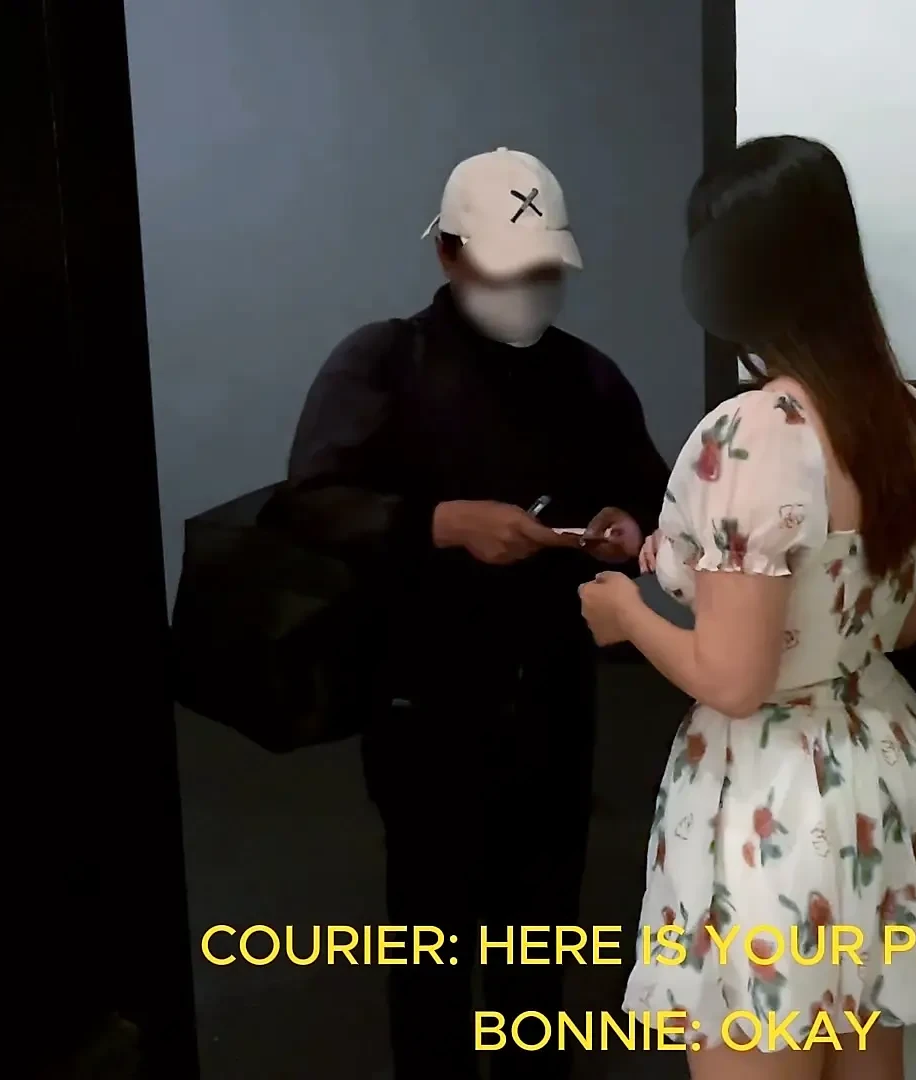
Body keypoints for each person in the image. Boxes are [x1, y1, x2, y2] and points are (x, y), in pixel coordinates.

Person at [577, 135, 916, 1079]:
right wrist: (669, 557)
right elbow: (905, 623)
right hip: (880, 772)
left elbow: (736, 680)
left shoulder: (750, 433)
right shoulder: (911, 419)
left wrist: (627, 614)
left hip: (772, 797)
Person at [285, 147, 669, 1079]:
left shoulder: (588, 379)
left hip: (554, 700)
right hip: (423, 702)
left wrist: (628, 528)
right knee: (431, 940)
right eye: (506, 272)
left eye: (544, 272)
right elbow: (310, 504)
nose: (527, 293)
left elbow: (650, 496)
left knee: (540, 938)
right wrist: (442, 523)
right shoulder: (384, 363)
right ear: (449, 255)